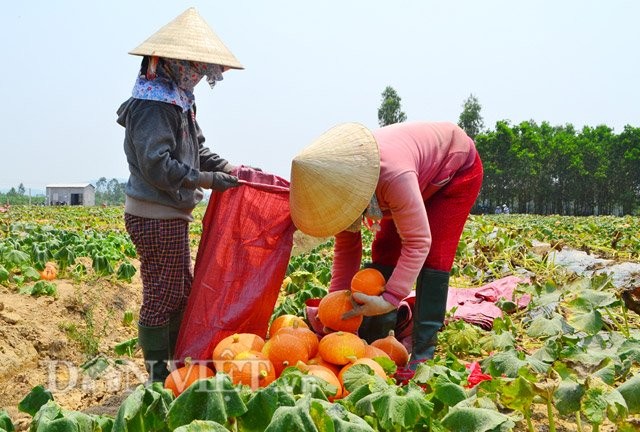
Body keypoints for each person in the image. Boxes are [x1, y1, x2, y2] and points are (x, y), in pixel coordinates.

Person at [290, 121, 483, 373]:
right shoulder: (338, 186)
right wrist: (333, 310)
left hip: (455, 172)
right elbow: (347, 248)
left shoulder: (393, 176)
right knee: (385, 249)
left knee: (435, 255)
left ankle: (424, 351)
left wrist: (391, 298)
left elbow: (418, 241)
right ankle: (376, 337)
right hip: (413, 178)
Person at [116, 8, 246, 383]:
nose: (200, 76)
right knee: (162, 296)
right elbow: (158, 165)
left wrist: (230, 169)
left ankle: (175, 369)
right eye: (196, 68)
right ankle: (160, 379)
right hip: (154, 213)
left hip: (169, 212)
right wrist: (206, 180)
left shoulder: (178, 99)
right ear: (173, 62)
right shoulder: (153, 105)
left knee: (179, 291)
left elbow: (197, 150)